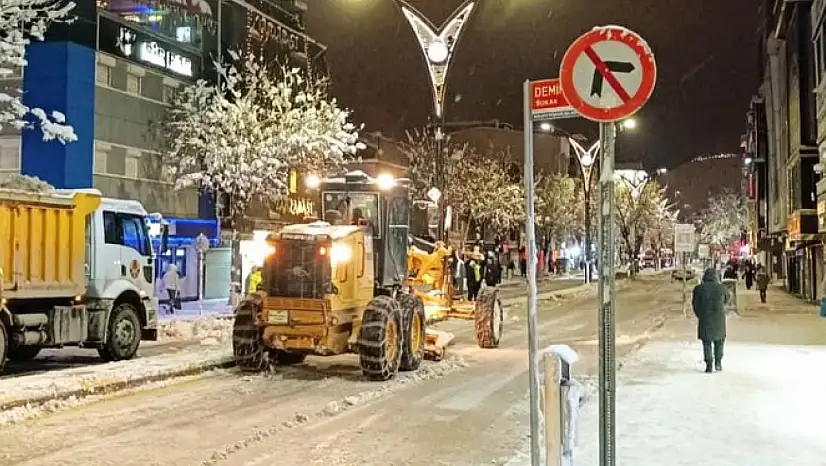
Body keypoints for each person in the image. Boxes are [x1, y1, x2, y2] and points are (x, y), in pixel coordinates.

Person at [692, 268, 728, 373]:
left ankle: (709, 365)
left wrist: (700, 314)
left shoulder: (699, 289)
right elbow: (727, 298)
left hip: (705, 318)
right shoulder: (722, 288)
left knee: (706, 342)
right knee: (719, 341)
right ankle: (718, 363)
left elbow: (695, 304)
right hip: (719, 319)